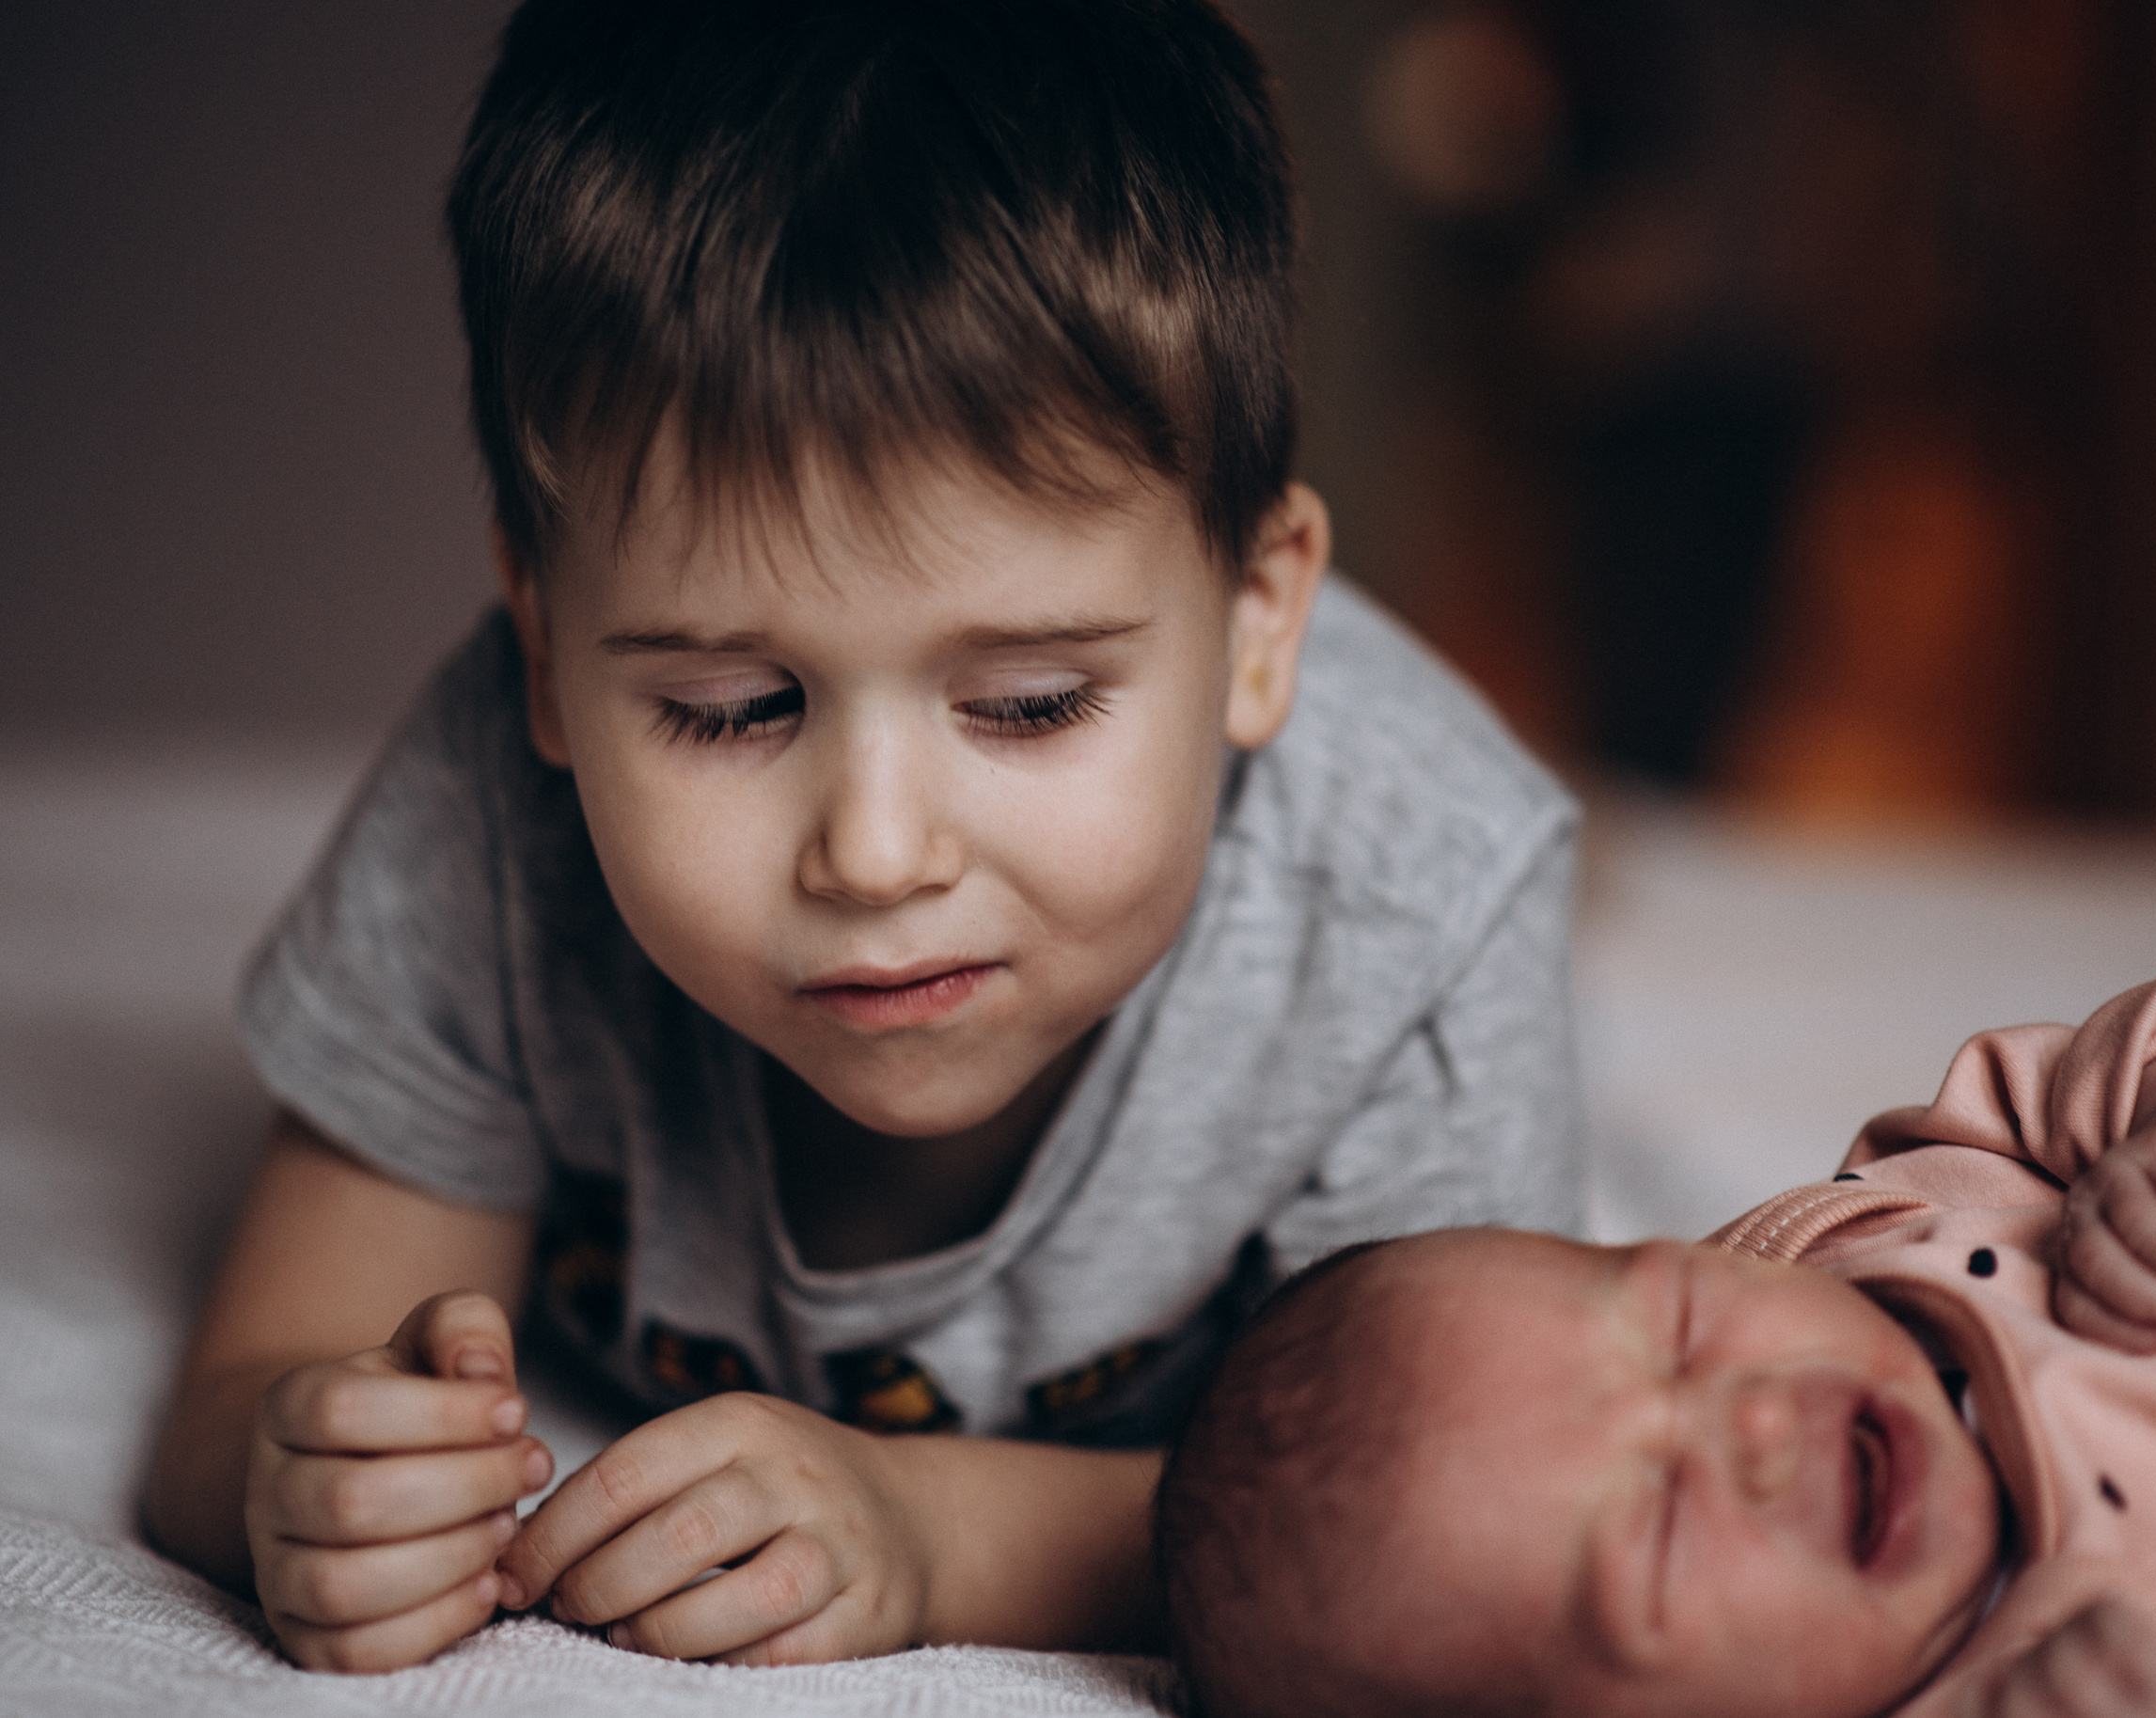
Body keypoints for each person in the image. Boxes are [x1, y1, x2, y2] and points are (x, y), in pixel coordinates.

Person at [137, 0, 1583, 1677]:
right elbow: (258, 1379)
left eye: (1030, 704)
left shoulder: (1415, 915)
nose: (877, 856)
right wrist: (306, 1481)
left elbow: (1453, 1520)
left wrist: (934, 1531)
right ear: (543, 651)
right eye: (732, 710)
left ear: (1262, 622)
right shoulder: (487, 829)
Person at [1160, 965, 2156, 1717]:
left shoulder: (1891, 1225)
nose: (1750, 1421)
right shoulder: (2053, 1690)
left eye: (1682, 1329)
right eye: (1659, 1529)